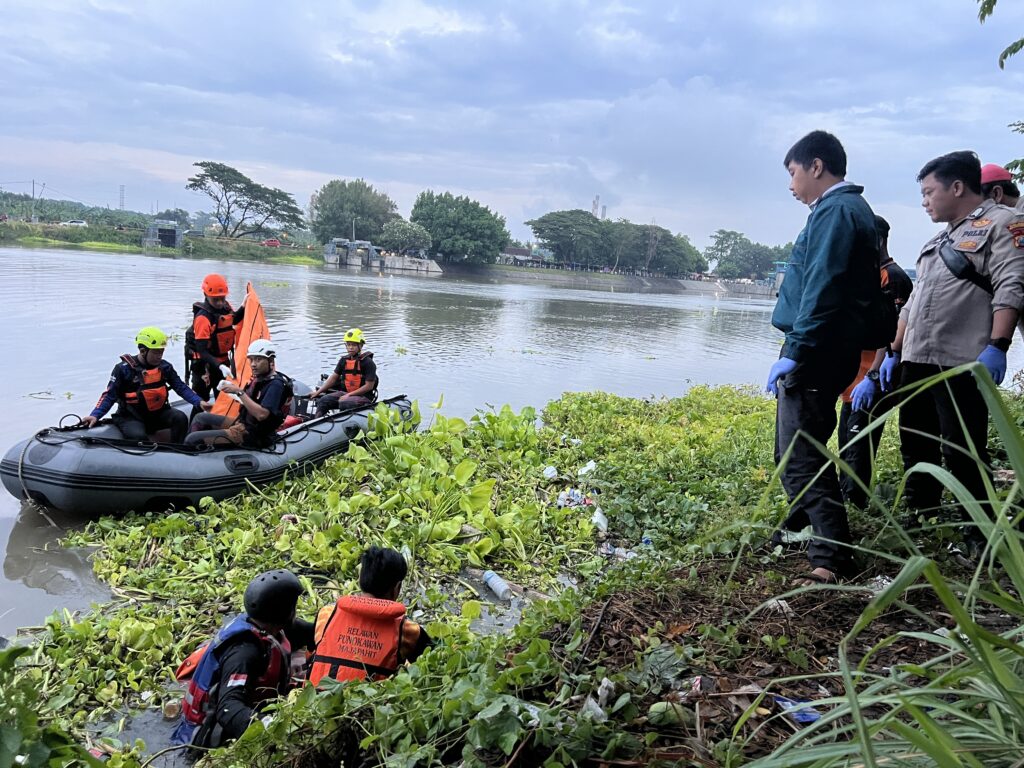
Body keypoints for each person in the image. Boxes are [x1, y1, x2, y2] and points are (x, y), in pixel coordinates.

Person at [880, 150, 1024, 559]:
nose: (924, 201)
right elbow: (913, 303)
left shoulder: (1003, 223)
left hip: (962, 358)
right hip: (918, 356)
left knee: (961, 447)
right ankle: (922, 513)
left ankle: (977, 532)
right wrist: (894, 350)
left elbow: (1011, 285)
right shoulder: (938, 239)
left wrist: (997, 347)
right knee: (916, 440)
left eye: (929, 192)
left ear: (957, 187)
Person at [766, 130, 882, 585]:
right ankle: (801, 524)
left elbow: (823, 285)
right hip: (821, 346)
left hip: (817, 348)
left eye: (793, 173)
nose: (791, 185)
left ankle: (833, 555)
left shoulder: (836, 210)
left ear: (816, 166)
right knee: (791, 447)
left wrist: (796, 350)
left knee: (801, 453)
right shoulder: (840, 210)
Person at [171, 569, 314, 749]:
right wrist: (275, 728)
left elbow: (312, 632)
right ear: (284, 612)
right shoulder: (245, 652)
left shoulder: (265, 623)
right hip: (206, 734)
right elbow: (228, 707)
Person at [837, 215, 914, 507]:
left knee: (859, 443)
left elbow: (890, 332)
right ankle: (846, 497)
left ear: (877, 240)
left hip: (873, 378)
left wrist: (872, 376)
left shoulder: (892, 278)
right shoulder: (869, 275)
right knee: (848, 440)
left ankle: (854, 504)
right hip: (855, 378)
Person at [308, 546, 432, 686]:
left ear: (361, 579)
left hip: (315, 704)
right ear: (397, 588)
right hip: (369, 706)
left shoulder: (327, 614)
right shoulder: (407, 630)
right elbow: (433, 661)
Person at [82, 326, 210, 443]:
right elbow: (109, 395)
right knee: (138, 436)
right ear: (143, 351)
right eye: (156, 352)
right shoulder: (123, 369)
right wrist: (95, 415)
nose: (159, 356)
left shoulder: (165, 367)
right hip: (131, 417)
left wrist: (198, 402)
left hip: (158, 413)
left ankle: (179, 450)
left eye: (161, 352)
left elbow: (180, 387)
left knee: (180, 418)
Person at [185, 339, 292, 448]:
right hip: (243, 424)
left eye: (258, 360)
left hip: (254, 434)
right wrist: (233, 392)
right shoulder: (260, 379)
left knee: (192, 439)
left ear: (271, 361)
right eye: (251, 360)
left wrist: (239, 392)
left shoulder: (275, 385)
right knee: (200, 418)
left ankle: (191, 454)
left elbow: (262, 415)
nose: (253, 364)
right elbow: (250, 401)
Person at [187, 273, 245, 402]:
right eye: (215, 299)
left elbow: (234, 320)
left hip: (222, 362)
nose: (220, 302)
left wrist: (245, 305)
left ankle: (218, 420)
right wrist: (219, 366)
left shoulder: (225, 307)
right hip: (204, 366)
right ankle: (197, 422)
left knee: (223, 399)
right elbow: (201, 350)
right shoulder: (203, 318)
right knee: (201, 400)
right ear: (206, 295)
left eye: (222, 298)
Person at [309, 328, 378, 417]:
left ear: (360, 345)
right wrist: (317, 392)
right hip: (346, 394)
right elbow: (333, 378)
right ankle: (317, 422)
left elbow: (369, 386)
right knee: (323, 400)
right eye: (348, 345)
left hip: (364, 397)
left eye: (353, 345)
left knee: (345, 402)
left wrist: (349, 395)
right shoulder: (343, 360)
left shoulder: (368, 362)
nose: (350, 347)